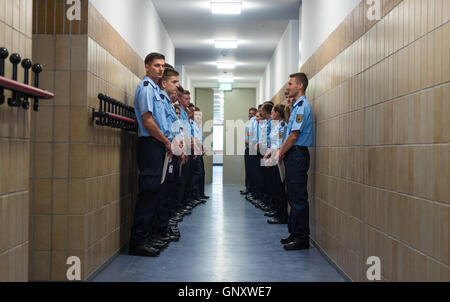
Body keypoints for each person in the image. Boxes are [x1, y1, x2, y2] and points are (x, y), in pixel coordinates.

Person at [129, 52, 171, 257]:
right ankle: (138, 242)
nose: (160, 69)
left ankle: (150, 237)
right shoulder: (146, 89)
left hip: (158, 145)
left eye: (162, 66)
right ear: (147, 67)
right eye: (156, 65)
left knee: (155, 193)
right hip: (150, 144)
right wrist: (166, 141)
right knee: (148, 193)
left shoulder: (156, 90)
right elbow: (148, 121)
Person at [279, 73, 314, 251]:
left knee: (298, 198)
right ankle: (294, 233)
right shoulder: (296, 107)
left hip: (297, 154)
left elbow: (293, 136)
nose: (287, 87)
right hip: (293, 154)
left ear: (300, 86)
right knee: (292, 196)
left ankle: (301, 238)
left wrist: (280, 153)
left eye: (290, 84)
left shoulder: (301, 107)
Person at [264, 104, 288, 224]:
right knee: (274, 186)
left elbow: (279, 145)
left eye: (273, 112)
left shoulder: (283, 125)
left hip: (278, 160)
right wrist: (267, 156)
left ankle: (281, 216)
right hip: (273, 157)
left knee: (280, 188)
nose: (271, 114)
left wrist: (271, 159)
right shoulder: (276, 126)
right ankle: (276, 210)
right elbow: (271, 143)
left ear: (278, 113)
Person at [241, 107, 257, 195]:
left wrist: (248, 142)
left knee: (253, 170)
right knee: (248, 170)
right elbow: (246, 141)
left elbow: (253, 140)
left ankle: (253, 190)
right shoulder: (249, 125)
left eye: (252, 114)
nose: (250, 115)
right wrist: (248, 142)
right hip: (248, 149)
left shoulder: (256, 125)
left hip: (253, 150)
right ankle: (248, 188)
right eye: (249, 114)